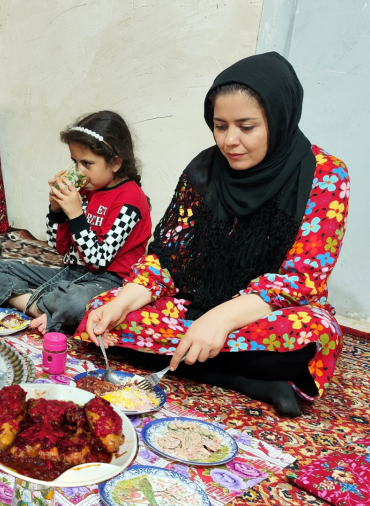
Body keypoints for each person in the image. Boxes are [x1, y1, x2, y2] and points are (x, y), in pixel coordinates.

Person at [81, 52, 349, 417]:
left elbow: (302, 278)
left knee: (314, 335)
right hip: (196, 302)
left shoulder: (325, 175)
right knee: (101, 314)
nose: (230, 140)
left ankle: (207, 363)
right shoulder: (204, 170)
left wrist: (220, 321)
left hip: (262, 312)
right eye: (220, 126)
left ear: (279, 118)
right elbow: (167, 257)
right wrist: (124, 301)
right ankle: (245, 379)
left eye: (247, 126)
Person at [0, 111, 152, 334]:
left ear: (116, 162)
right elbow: (57, 246)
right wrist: (57, 210)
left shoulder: (130, 199)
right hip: (71, 272)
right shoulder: (87, 189)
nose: (79, 171)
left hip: (109, 282)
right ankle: (43, 310)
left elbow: (98, 261)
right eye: (75, 162)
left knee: (74, 300)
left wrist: (77, 215)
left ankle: (38, 304)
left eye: (87, 163)